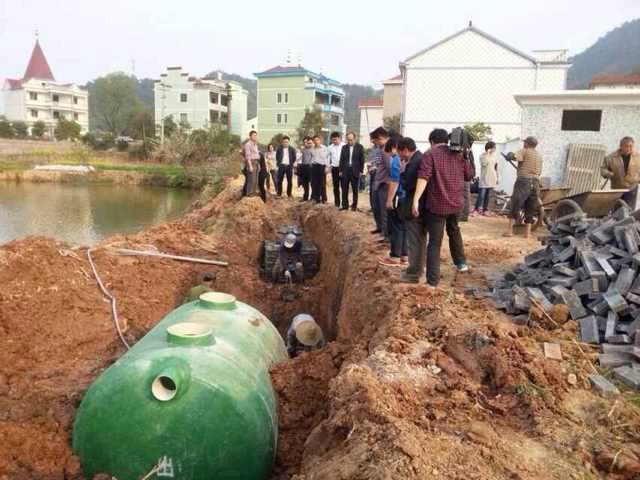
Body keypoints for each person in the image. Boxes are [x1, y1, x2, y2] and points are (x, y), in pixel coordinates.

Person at [412, 129, 473, 288]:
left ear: (431, 141)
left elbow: (423, 177)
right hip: (456, 204)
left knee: (434, 243)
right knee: (454, 231)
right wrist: (467, 154)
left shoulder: (430, 154)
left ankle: (432, 282)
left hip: (437, 205)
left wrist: (416, 199)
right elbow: (469, 175)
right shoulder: (459, 154)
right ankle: (461, 264)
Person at [396, 137, 425, 283]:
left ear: (406, 150)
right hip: (420, 206)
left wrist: (402, 172)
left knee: (414, 241)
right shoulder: (419, 158)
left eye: (400, 153)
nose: (399, 157)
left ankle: (414, 274)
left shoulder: (414, 162)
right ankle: (416, 269)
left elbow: (408, 185)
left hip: (414, 207)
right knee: (418, 241)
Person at [504, 136, 543, 238]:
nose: (523, 143)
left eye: (524, 142)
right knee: (531, 207)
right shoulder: (539, 155)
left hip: (523, 181)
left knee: (515, 204)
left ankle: (509, 231)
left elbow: (515, 157)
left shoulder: (524, 151)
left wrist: (510, 155)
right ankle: (527, 233)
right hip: (535, 182)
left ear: (527, 143)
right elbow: (539, 171)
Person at [379, 137, 408, 266]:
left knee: (396, 226)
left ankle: (395, 256)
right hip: (407, 197)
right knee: (405, 227)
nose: (389, 156)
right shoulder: (410, 159)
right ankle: (404, 256)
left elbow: (394, 181)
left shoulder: (396, 159)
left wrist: (389, 200)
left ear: (393, 148)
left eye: (389, 153)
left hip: (398, 197)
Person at [601, 136, 640, 205]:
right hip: (617, 188)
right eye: (626, 146)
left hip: (631, 188)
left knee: (629, 211)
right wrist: (608, 174)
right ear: (621, 146)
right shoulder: (610, 158)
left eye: (631, 146)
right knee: (616, 211)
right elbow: (603, 169)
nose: (628, 148)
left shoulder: (638, 157)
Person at [369, 127, 390, 236]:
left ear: (380, 138)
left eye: (375, 140)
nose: (374, 143)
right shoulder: (380, 148)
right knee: (377, 207)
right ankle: (381, 229)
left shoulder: (387, 150)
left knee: (384, 211)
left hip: (385, 183)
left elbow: (390, 168)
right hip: (379, 181)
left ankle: (386, 236)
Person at [339, 132, 365, 211]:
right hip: (345, 170)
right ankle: (344, 206)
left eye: (351, 140)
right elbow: (342, 159)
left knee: (355, 190)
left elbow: (362, 160)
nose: (349, 141)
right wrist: (340, 170)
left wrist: (361, 170)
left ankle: (354, 206)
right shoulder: (344, 147)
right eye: (348, 140)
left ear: (355, 139)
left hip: (355, 171)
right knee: (344, 189)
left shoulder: (360, 147)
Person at [472, 141, 499, 216]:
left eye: (495, 148)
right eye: (493, 147)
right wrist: (487, 154)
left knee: (488, 196)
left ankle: (485, 209)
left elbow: (496, 167)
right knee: (481, 195)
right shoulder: (482, 156)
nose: (494, 149)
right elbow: (484, 163)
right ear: (489, 148)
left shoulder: (495, 156)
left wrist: (497, 177)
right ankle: (477, 209)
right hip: (484, 179)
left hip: (492, 178)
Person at [328, 131, 345, 207]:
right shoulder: (330, 147)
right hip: (334, 168)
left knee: (344, 186)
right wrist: (329, 166)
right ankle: (337, 203)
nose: (334, 141)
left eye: (336, 139)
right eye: (333, 140)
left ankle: (344, 204)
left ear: (340, 138)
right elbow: (327, 158)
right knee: (336, 187)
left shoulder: (344, 146)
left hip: (343, 169)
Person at [310, 134, 328, 203]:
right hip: (314, 167)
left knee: (322, 183)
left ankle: (324, 199)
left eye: (317, 140)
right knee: (315, 183)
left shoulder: (324, 148)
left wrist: (326, 167)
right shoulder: (312, 149)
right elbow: (312, 157)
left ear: (320, 140)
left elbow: (327, 158)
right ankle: (317, 199)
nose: (316, 141)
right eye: (314, 140)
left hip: (322, 166)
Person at [242, 130, 260, 197]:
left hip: (256, 162)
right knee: (251, 179)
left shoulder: (255, 144)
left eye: (256, 135)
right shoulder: (248, 144)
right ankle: (249, 193)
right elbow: (248, 156)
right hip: (251, 163)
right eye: (254, 135)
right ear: (250, 136)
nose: (255, 137)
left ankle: (254, 193)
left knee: (255, 179)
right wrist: (250, 166)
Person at [298, 137, 314, 201]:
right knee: (305, 183)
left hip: (311, 168)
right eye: (304, 142)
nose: (305, 143)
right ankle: (305, 197)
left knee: (312, 183)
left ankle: (313, 197)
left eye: (307, 142)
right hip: (303, 167)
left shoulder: (313, 149)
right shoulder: (303, 149)